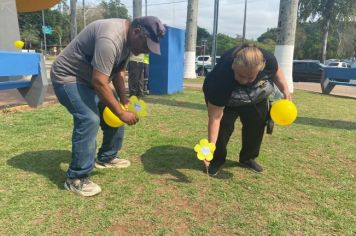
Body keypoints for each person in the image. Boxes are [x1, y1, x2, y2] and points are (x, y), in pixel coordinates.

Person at [50, 16, 166, 196]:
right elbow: (99, 82)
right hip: (68, 77)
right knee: (89, 119)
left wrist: (123, 100)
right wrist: (120, 112)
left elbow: (118, 72)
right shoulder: (110, 38)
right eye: (146, 45)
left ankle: (107, 157)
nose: (146, 51)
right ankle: (76, 178)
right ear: (137, 32)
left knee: (117, 109)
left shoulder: (129, 42)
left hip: (90, 80)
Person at [202, 44, 291, 175]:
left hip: (256, 95)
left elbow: (277, 71)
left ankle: (248, 158)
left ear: (261, 68)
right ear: (233, 66)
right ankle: (216, 159)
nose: (244, 81)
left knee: (257, 123)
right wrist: (210, 148)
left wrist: (285, 90)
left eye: (250, 77)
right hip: (228, 98)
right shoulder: (221, 78)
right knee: (223, 126)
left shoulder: (268, 60)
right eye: (241, 75)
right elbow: (215, 118)